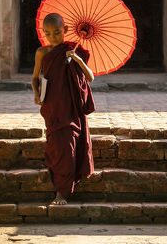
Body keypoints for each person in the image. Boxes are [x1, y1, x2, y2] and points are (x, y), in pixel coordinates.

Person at [32, 12, 95, 205]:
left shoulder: (76, 51)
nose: (53, 37)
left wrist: (77, 59)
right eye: (48, 33)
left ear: (65, 30)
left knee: (68, 144)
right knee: (57, 145)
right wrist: (36, 94)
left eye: (57, 32)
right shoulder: (42, 53)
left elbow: (90, 77)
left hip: (71, 106)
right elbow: (35, 77)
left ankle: (62, 192)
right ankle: (61, 187)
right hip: (52, 105)